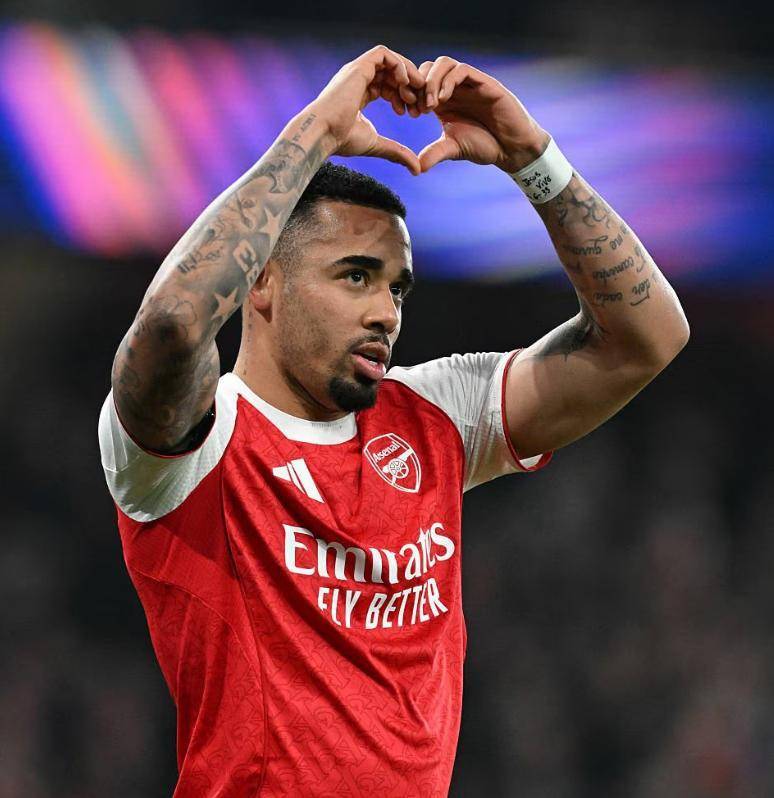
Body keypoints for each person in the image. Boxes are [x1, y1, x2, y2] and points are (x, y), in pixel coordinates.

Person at [97, 45, 689, 796]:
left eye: (398, 288)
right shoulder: (195, 444)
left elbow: (648, 338)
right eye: (356, 276)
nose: (386, 313)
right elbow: (173, 325)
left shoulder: (435, 415)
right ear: (262, 280)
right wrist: (314, 132)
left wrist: (534, 158)